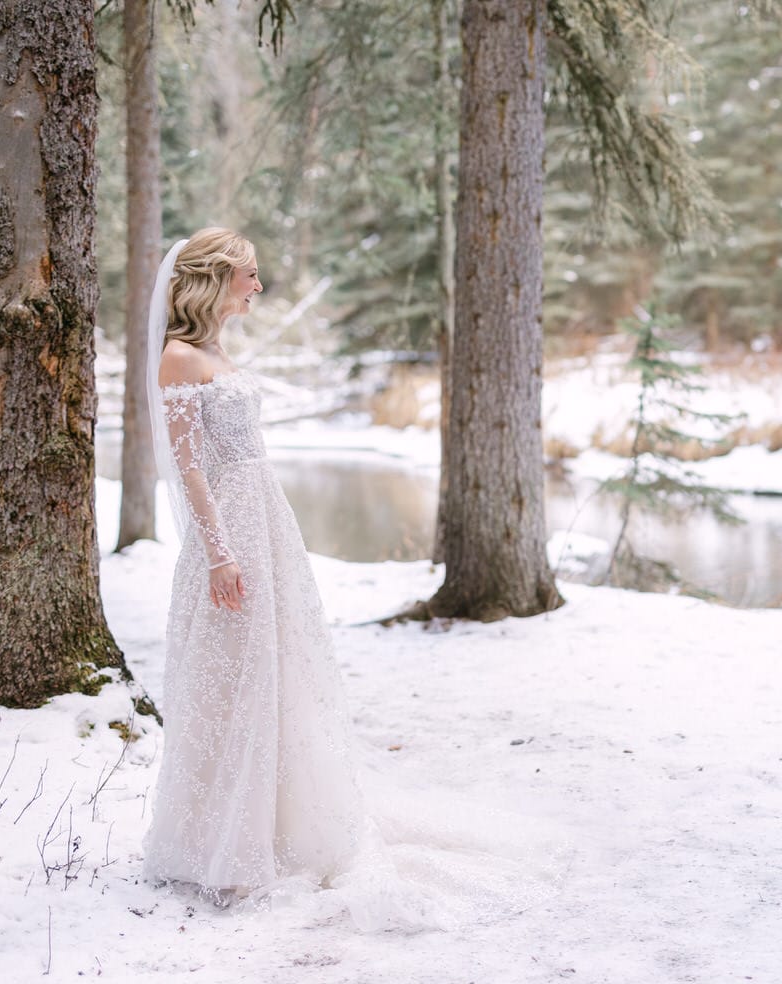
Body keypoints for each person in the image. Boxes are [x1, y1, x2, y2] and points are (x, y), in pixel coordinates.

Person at [140, 228, 564, 918]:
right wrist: (219, 551)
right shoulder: (180, 358)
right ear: (216, 278)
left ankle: (275, 826)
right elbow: (190, 467)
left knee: (277, 672)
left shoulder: (216, 352)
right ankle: (220, 841)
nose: (258, 285)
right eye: (250, 274)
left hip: (265, 521)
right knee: (233, 676)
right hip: (231, 537)